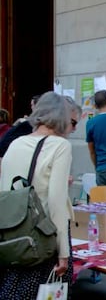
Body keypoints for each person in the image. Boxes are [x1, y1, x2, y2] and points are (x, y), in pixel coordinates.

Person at [0, 92, 74, 299]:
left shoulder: (16, 143)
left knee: (13, 289)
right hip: (42, 234)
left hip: (13, 232)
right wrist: (64, 252)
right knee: (47, 291)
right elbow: (56, 202)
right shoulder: (60, 146)